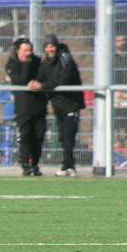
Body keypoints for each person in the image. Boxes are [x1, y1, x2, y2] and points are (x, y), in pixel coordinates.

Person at [29, 34, 85, 177]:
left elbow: (63, 79)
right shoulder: (46, 61)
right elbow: (41, 76)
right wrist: (34, 82)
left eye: (52, 46)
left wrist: (42, 86)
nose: (49, 49)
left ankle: (68, 166)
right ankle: (68, 166)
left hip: (70, 104)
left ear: (56, 46)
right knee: (62, 137)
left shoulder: (65, 59)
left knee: (68, 137)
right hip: (57, 105)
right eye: (47, 47)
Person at [5, 37, 47, 176]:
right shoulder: (12, 64)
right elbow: (21, 80)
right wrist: (26, 64)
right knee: (26, 137)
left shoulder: (38, 62)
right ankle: (25, 165)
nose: (28, 53)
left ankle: (34, 164)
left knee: (38, 137)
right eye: (25, 50)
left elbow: (43, 76)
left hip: (39, 106)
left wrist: (38, 83)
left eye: (30, 50)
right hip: (23, 108)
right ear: (18, 51)